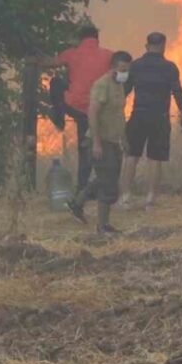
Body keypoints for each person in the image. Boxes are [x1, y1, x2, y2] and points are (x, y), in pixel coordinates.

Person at [39, 26, 113, 193]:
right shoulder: (109, 55)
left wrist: (34, 56)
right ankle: (91, 186)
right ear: (97, 38)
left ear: (80, 38)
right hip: (98, 108)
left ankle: (58, 116)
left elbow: (49, 63)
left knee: (57, 82)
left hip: (75, 106)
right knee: (94, 147)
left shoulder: (71, 53)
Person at [67, 51, 133, 233]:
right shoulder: (102, 85)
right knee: (109, 184)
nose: (124, 73)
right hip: (100, 141)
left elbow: (119, 115)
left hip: (113, 141)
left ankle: (76, 203)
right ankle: (103, 226)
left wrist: (124, 139)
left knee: (105, 177)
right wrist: (96, 142)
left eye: (127, 70)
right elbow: (93, 113)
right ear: (113, 67)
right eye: (122, 69)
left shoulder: (119, 85)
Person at [121, 32, 182, 208]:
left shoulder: (135, 66)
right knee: (155, 159)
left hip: (139, 114)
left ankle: (126, 196)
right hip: (160, 117)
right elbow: (177, 91)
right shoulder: (170, 67)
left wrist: (116, 110)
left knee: (131, 156)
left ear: (146, 45)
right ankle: (150, 199)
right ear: (163, 46)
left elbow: (124, 91)